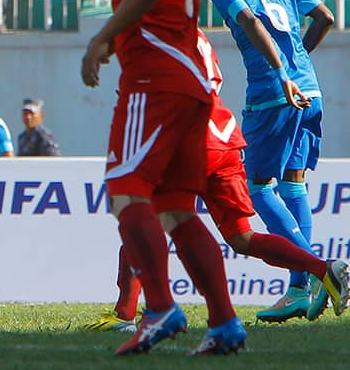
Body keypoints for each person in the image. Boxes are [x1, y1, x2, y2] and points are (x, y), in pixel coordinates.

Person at [80, 0, 243, 355]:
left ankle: (159, 308)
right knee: (174, 207)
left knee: (126, 191)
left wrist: (104, 36)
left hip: (155, 75)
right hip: (192, 75)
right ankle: (223, 323)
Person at [84, 28, 350, 333]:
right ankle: (323, 269)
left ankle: (125, 315)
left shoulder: (160, 33)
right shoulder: (195, 33)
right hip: (223, 136)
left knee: (143, 219)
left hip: (186, 137)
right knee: (241, 238)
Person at [204, 0, 339, 323]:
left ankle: (320, 273)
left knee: (258, 187)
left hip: (273, 93)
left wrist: (281, 74)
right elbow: (326, 17)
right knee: (293, 183)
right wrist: (298, 66)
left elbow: (248, 20)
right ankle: (300, 289)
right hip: (310, 89)